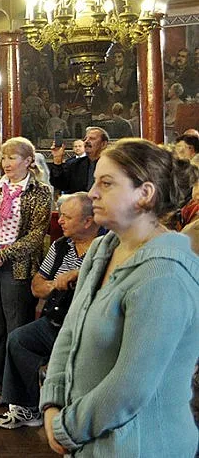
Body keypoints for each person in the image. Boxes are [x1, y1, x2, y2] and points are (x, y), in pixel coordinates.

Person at [40, 139, 199, 456]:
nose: (93, 193)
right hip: (93, 438)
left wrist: (66, 428)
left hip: (141, 444)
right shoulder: (104, 247)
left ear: (145, 194)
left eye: (106, 183)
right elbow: (71, 331)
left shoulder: (164, 273)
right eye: (95, 181)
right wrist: (53, 401)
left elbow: (130, 386)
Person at [0, 192, 99, 430]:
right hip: (57, 318)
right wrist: (55, 284)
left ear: (88, 221)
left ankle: (70, 412)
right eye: (60, 215)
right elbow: (36, 286)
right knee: (19, 340)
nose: (59, 221)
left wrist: (78, 278)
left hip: (87, 324)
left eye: (66, 217)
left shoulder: (105, 248)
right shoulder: (61, 246)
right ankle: (27, 408)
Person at [0, 137, 51, 410]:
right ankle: (1, 387)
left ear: (28, 161)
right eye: (4, 158)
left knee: (16, 330)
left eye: (13, 158)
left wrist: (2, 254)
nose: (6, 163)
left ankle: (21, 393)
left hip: (17, 266)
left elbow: (36, 235)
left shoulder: (39, 192)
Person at [49, 127, 109, 193]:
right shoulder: (74, 164)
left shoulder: (113, 165)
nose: (86, 141)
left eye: (92, 138)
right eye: (85, 139)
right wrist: (57, 158)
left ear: (103, 144)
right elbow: (59, 184)